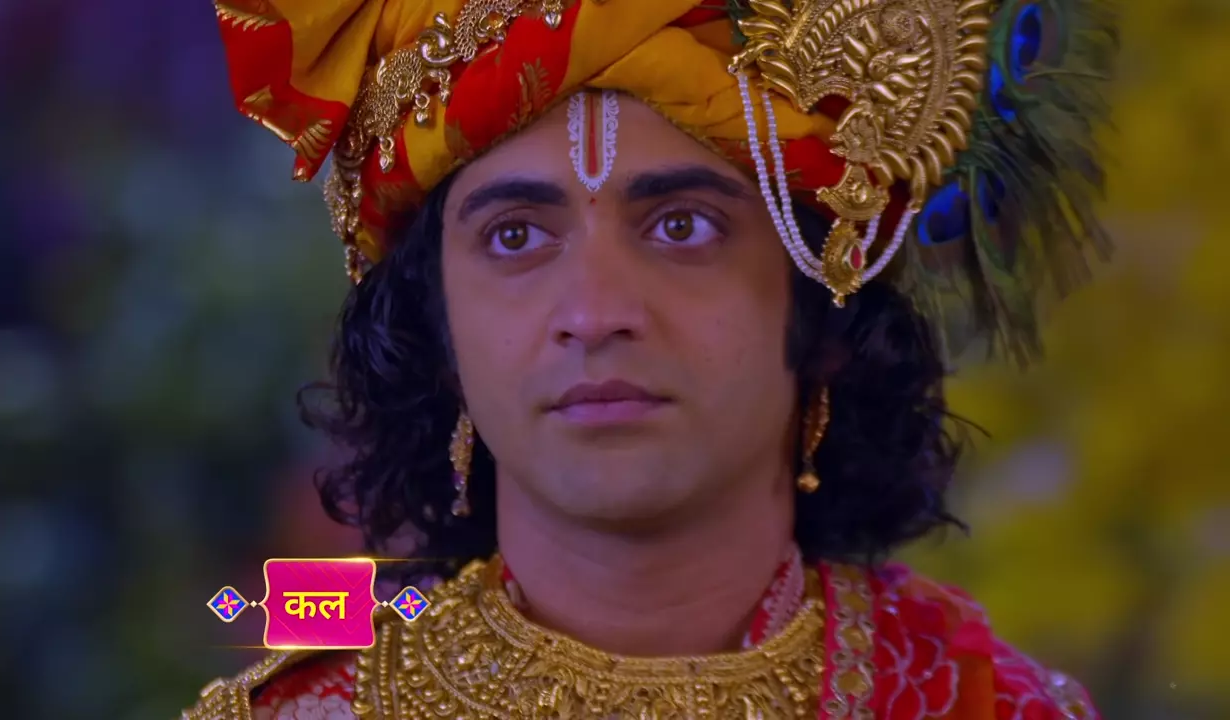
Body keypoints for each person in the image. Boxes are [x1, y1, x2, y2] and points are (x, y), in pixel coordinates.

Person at [184, 0, 1116, 717]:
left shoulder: (979, 703)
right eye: (515, 236)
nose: (596, 315)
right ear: (438, 333)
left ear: (825, 311)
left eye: (682, 227)